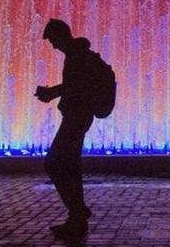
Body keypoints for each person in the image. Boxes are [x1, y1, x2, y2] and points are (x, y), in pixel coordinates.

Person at [36, 19, 97, 241]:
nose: (52, 45)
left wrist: (51, 93)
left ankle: (78, 212)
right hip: (77, 117)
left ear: (61, 36)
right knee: (69, 165)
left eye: (52, 40)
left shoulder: (76, 56)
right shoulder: (77, 54)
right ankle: (76, 217)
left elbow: (77, 86)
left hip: (77, 118)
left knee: (54, 163)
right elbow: (76, 85)